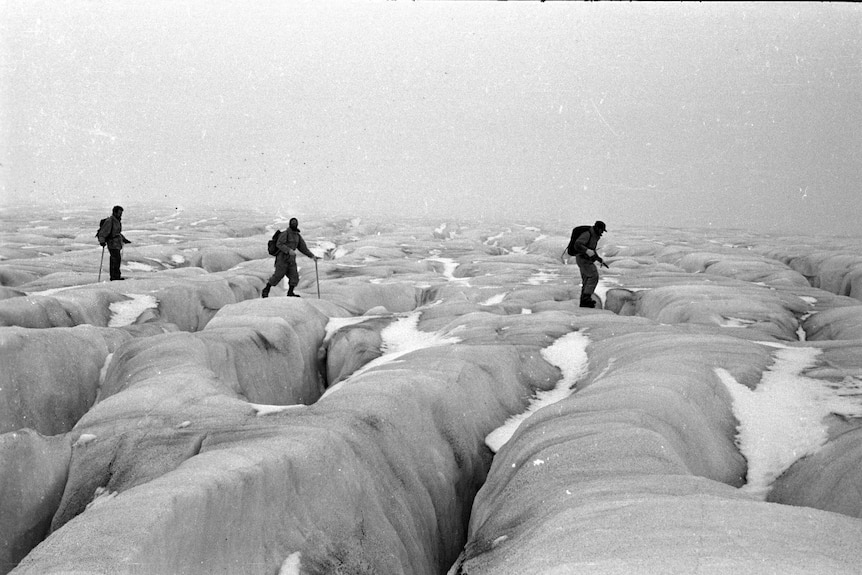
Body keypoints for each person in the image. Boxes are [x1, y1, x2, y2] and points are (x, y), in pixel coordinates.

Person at [261, 217, 319, 298]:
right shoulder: (285, 233)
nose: (294, 224)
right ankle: (266, 290)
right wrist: (288, 250)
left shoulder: (297, 236)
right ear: (290, 224)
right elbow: (279, 244)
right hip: (282, 258)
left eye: (295, 223)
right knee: (278, 275)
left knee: (294, 276)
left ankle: (290, 292)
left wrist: (312, 256)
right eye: (293, 223)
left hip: (291, 259)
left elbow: (303, 248)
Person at [568, 220, 607, 308]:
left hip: (586, 259)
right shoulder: (588, 234)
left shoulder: (594, 235)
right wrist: (586, 251)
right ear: (597, 228)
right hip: (582, 259)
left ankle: (584, 301)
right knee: (593, 276)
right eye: (602, 230)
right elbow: (577, 244)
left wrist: (599, 259)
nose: (602, 232)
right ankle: (586, 299)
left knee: (586, 279)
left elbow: (591, 250)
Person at [97, 205, 131, 281]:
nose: (121, 215)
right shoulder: (110, 221)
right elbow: (103, 232)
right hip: (112, 243)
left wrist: (124, 239)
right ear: (115, 212)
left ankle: (116, 276)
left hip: (116, 243)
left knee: (116, 259)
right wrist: (102, 241)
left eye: (121, 213)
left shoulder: (116, 221)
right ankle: (115, 277)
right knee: (115, 259)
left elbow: (117, 233)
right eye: (119, 213)